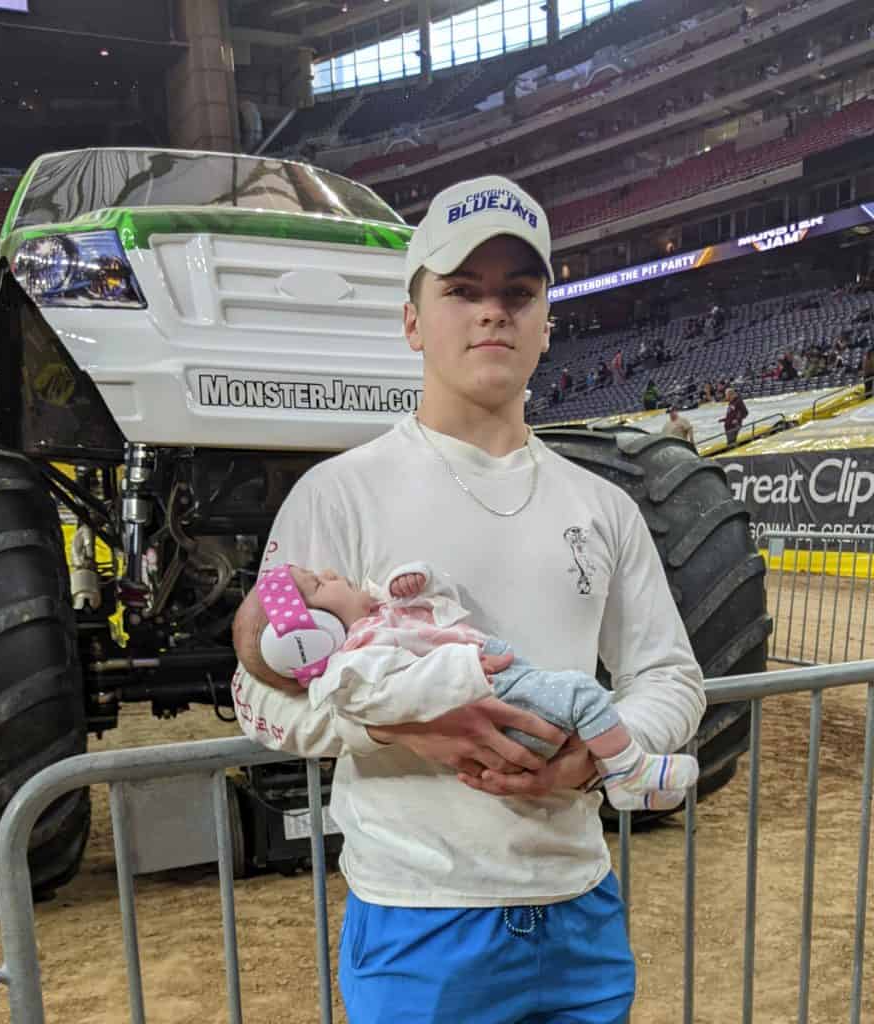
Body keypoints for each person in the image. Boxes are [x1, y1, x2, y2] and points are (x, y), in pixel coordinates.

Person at [231, 173, 704, 1024]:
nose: (494, 312)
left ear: (546, 324)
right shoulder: (335, 496)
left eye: (518, 293)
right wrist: (406, 725)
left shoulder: (605, 507)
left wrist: (597, 756)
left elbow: (671, 676)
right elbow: (254, 696)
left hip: (580, 909)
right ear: (412, 320)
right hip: (418, 920)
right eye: (462, 290)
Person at [235, 561, 698, 813]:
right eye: (319, 584)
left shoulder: (377, 620)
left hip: (572, 872)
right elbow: (256, 696)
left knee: (575, 709)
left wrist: (418, 580)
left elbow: (671, 673)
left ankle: (620, 775)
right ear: (310, 634)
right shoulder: (359, 662)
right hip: (409, 896)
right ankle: (630, 771)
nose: (333, 573)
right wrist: (396, 726)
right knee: (580, 692)